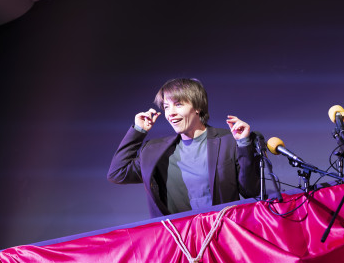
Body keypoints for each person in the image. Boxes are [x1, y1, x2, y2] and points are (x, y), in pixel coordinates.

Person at [107, 78, 262, 216]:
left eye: (178, 104)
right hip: (179, 236)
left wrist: (244, 144)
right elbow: (117, 173)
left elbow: (252, 191)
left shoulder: (228, 141)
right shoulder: (155, 151)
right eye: (166, 107)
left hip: (223, 230)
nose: (171, 113)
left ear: (197, 107)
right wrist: (138, 131)